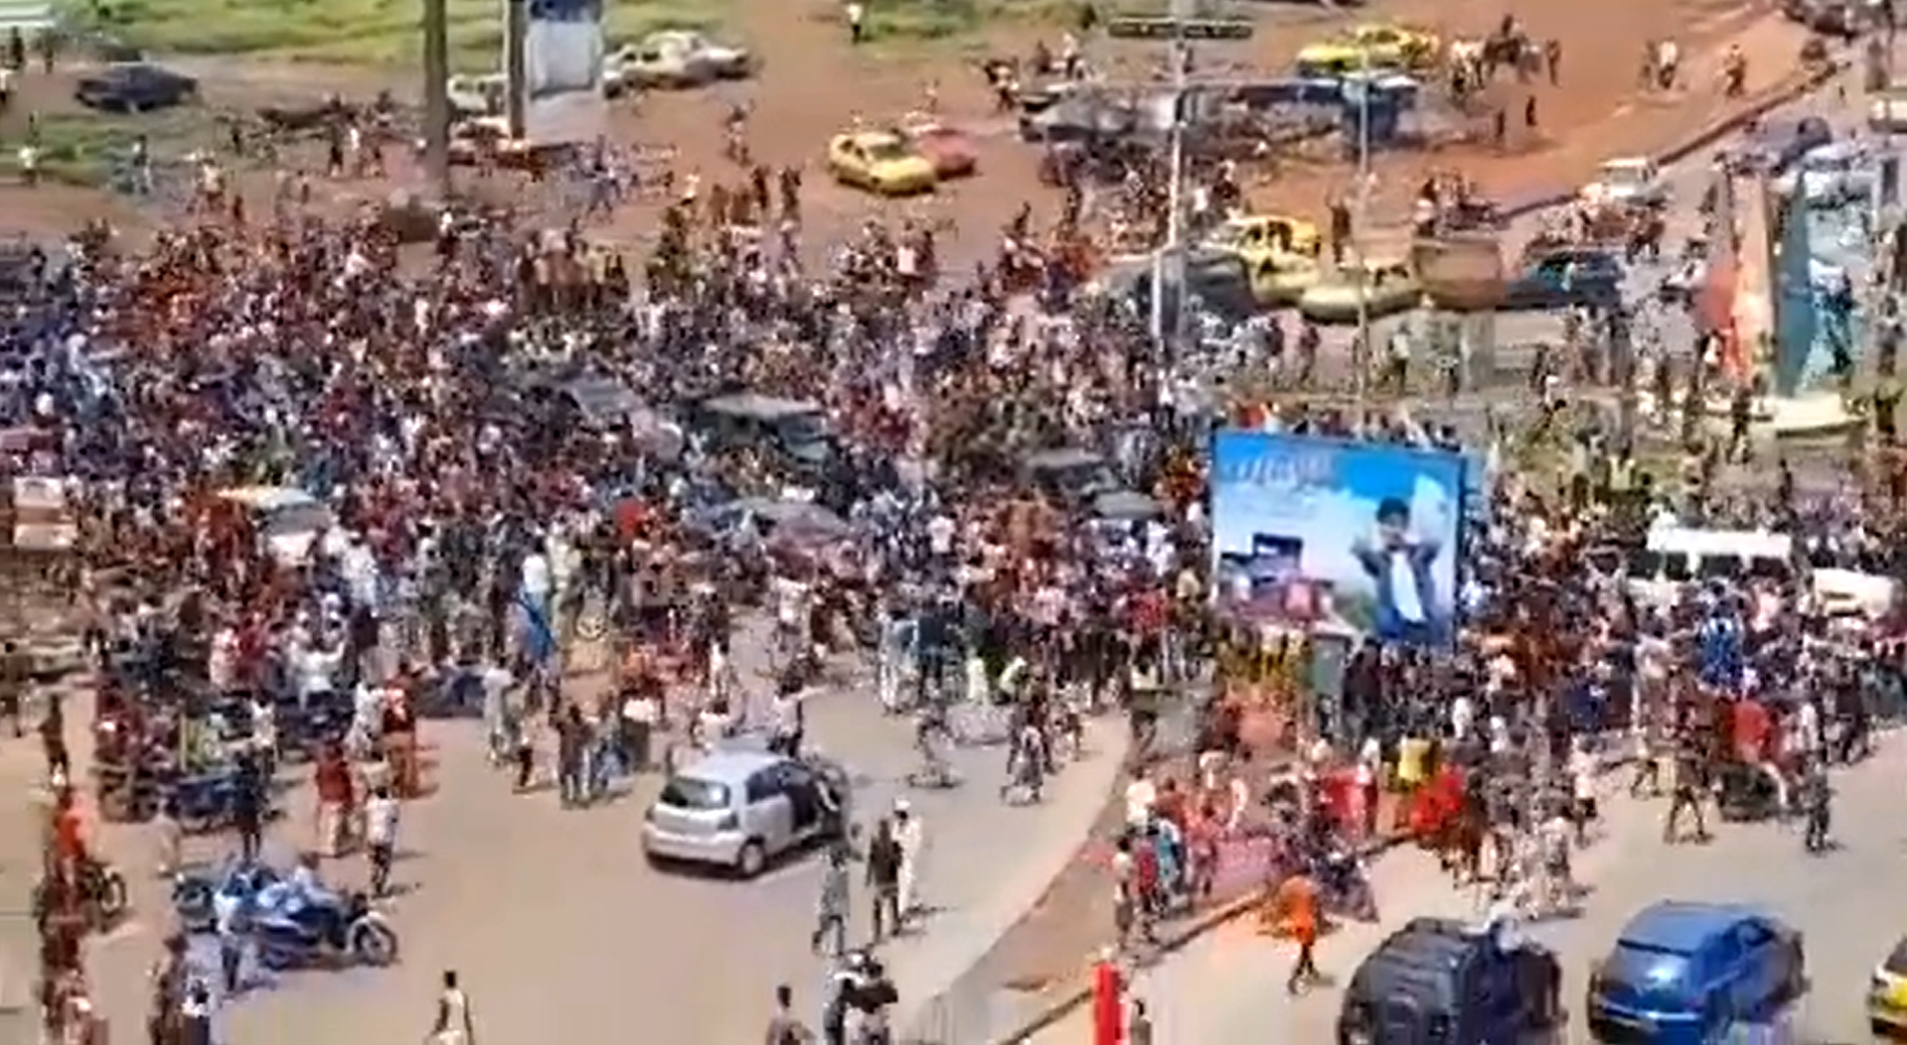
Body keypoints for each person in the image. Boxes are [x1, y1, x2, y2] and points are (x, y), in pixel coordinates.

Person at [363, 784, 400, 897]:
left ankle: (372, 887)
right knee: (385, 864)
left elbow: (365, 808)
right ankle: (381, 887)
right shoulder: (391, 805)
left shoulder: (371, 805)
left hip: (372, 837)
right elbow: (395, 818)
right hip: (386, 838)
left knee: (374, 863)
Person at [431, 969, 475, 1045]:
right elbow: (467, 1018)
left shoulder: (446, 996)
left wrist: (435, 1030)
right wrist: (471, 1037)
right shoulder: (462, 996)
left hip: (449, 1034)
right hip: (459, 1034)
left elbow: (444, 1017)